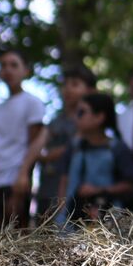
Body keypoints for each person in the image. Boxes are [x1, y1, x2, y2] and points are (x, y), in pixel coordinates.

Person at [0, 49, 47, 229]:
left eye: (14, 65)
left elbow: (35, 143)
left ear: (26, 70)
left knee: (17, 235)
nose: (8, 70)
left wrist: (23, 174)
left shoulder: (33, 103)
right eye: (3, 65)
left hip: (16, 180)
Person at [62, 91, 133, 223]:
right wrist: (60, 212)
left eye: (81, 112)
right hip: (70, 220)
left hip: (107, 221)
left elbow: (131, 184)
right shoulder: (73, 146)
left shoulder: (117, 148)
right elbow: (64, 180)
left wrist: (98, 190)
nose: (76, 117)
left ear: (99, 117)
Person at [36, 66, 96, 222]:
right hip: (47, 190)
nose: (68, 89)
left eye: (75, 84)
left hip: (75, 195)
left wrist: (46, 155)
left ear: (90, 91)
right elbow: (38, 146)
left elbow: (71, 148)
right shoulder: (55, 121)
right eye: (65, 84)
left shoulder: (90, 123)